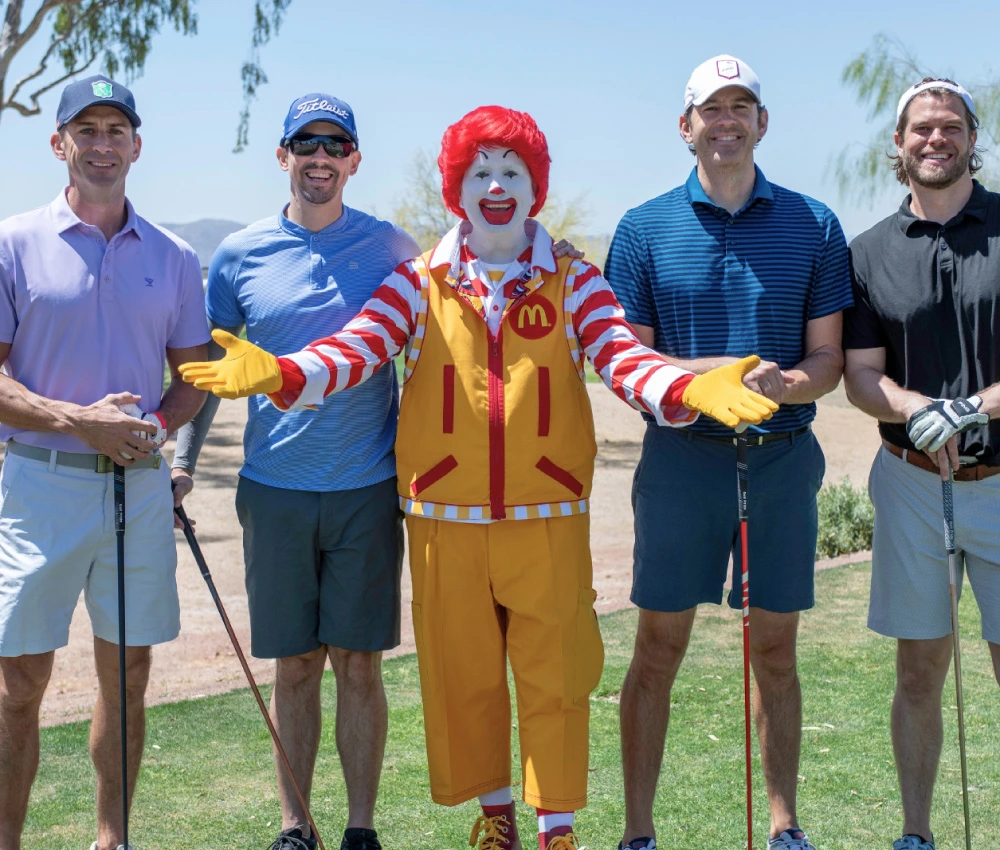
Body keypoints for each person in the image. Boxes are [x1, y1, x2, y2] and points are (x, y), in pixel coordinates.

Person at [179, 104, 776, 850]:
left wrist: (686, 390)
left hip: (546, 517)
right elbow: (356, 348)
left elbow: (623, 356)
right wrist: (283, 371)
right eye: (481, 172)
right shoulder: (418, 280)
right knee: (466, 680)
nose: (497, 186)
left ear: (536, 185)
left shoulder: (571, 277)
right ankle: (496, 818)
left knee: (556, 675)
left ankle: (556, 825)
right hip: (445, 520)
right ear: (458, 187)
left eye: (512, 172)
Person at [171, 92, 583, 850]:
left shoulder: (399, 251)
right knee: (300, 667)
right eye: (306, 142)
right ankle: (299, 826)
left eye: (335, 145)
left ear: (354, 160)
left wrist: (683, 388)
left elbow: (377, 343)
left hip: (369, 490)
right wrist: (186, 459)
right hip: (276, 489)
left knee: (365, 665)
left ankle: (366, 828)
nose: (319, 156)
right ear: (284, 154)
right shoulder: (243, 254)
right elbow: (225, 369)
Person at [604, 55, 852, 850]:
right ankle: (639, 832)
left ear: (761, 123)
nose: (727, 120)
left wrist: (786, 384)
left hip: (780, 457)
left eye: (741, 106)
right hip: (683, 461)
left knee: (775, 647)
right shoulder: (643, 229)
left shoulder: (814, 223)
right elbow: (625, 364)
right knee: (658, 645)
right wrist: (707, 377)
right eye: (711, 109)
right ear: (686, 128)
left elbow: (829, 364)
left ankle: (784, 828)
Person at [0, 75, 208, 850]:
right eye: (85, 130)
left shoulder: (175, 255)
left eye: (115, 130)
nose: (101, 144)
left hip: (136, 491)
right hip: (39, 488)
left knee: (127, 681)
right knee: (19, 687)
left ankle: (111, 839)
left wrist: (150, 429)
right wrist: (77, 421)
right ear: (59, 145)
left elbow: (191, 379)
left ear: (137, 147)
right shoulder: (14, 242)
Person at [842, 78, 1000, 850]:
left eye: (951, 128)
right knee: (918, 672)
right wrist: (911, 408)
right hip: (911, 483)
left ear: (974, 138)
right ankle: (915, 835)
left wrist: (973, 407)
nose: (935, 140)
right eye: (920, 130)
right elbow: (861, 375)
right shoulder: (867, 251)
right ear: (898, 146)